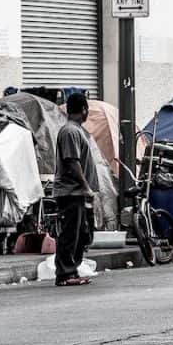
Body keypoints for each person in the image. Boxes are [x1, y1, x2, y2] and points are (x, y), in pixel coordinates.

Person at [52, 93, 98, 286]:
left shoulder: (76, 131)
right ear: (84, 110)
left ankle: (72, 269)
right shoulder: (70, 131)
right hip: (71, 192)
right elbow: (72, 162)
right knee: (70, 234)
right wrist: (86, 186)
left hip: (77, 193)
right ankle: (65, 273)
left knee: (82, 233)